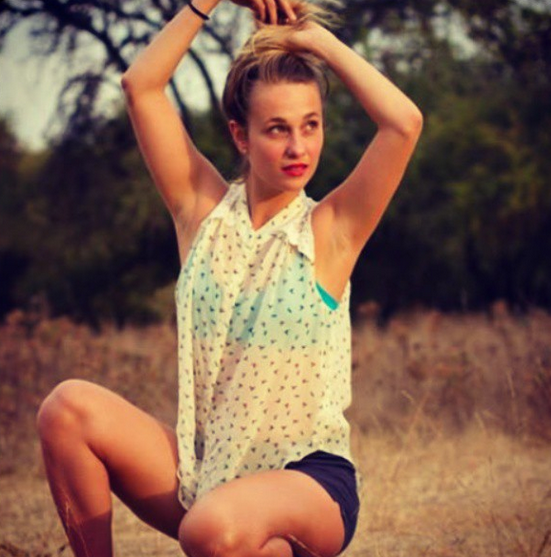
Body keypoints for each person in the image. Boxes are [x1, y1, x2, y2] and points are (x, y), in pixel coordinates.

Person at [36, 0, 422, 556]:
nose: (298, 147)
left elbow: (404, 123)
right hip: (210, 472)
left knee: (210, 529)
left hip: (308, 479)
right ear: (241, 136)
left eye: (311, 126)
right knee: (66, 409)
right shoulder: (201, 212)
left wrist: (312, 38)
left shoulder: (332, 229)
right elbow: (141, 86)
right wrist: (205, 1)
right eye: (277, 129)